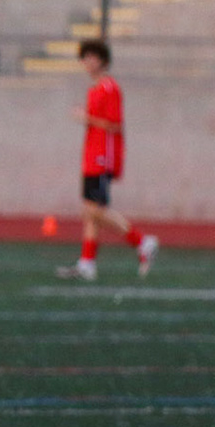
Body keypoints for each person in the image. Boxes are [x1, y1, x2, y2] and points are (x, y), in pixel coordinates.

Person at [57, 39, 158, 281]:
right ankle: (87, 263)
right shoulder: (94, 90)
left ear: (102, 60)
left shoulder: (109, 88)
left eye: (91, 57)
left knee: (96, 210)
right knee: (89, 211)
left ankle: (142, 241)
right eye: (84, 58)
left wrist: (87, 117)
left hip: (104, 155)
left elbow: (115, 124)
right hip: (92, 155)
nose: (87, 62)